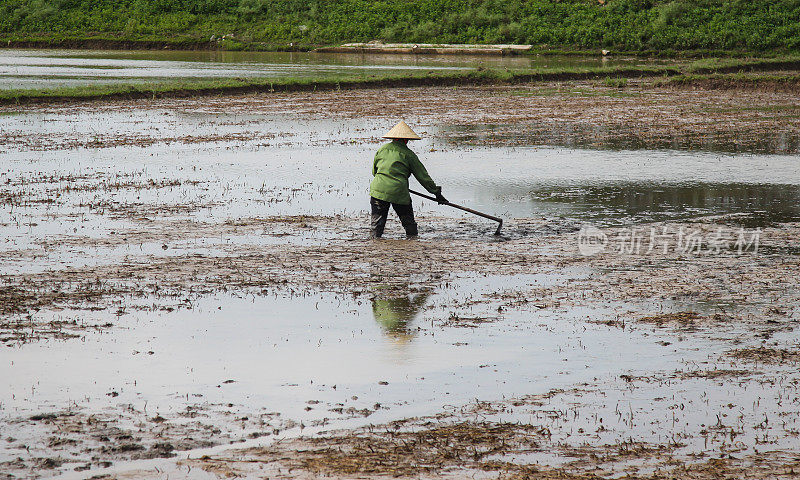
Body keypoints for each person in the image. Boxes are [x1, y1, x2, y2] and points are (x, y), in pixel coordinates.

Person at [370, 121, 447, 239]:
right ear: (406, 140)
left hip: (378, 190)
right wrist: (436, 193)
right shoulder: (409, 155)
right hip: (398, 192)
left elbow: (374, 172)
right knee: (409, 224)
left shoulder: (382, 149)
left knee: (376, 226)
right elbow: (423, 177)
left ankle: (373, 246)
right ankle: (412, 243)